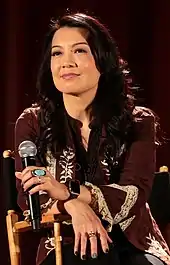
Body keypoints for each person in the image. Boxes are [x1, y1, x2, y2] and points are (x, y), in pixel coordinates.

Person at [14, 12, 170, 265]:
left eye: (79, 51)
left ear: (102, 60)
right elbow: (32, 199)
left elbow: (132, 194)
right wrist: (74, 206)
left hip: (132, 241)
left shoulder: (139, 120)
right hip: (64, 241)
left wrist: (66, 192)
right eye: (57, 53)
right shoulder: (32, 122)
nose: (66, 62)